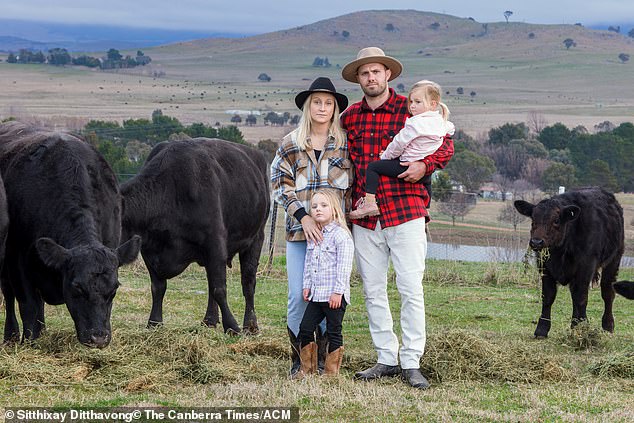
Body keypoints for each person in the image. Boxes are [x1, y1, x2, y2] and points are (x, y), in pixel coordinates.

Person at [340, 47, 454, 389]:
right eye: (364, 73)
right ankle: (386, 358)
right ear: (358, 79)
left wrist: (425, 165)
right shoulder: (350, 117)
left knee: (410, 288)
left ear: (388, 74)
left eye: (376, 71)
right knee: (373, 290)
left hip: (405, 210)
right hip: (365, 215)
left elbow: (445, 144)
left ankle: (411, 361)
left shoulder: (412, 108)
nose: (371, 78)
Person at [270, 77, 352, 378]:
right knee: (298, 295)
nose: (322, 107)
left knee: (328, 293)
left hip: (332, 237)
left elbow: (350, 190)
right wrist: (304, 216)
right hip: (299, 232)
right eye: (316, 102)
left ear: (334, 109)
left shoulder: (344, 144)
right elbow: (279, 184)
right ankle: (300, 358)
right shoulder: (291, 143)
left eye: (328, 103)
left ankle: (323, 360)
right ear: (308, 106)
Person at [349, 80, 455, 219]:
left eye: (417, 102)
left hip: (406, 183)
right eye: (411, 102)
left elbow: (398, 143)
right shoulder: (441, 121)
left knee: (374, 167)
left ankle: (369, 203)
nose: (412, 106)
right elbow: (450, 130)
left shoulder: (414, 123)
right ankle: (427, 207)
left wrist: (385, 156)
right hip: (420, 168)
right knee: (427, 179)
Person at [295, 189, 354, 379]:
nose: (318, 209)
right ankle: (307, 369)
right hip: (317, 294)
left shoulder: (341, 236)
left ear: (334, 209)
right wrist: (307, 286)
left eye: (323, 205)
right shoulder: (314, 234)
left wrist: (338, 292)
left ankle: (331, 373)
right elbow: (308, 263)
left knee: (334, 331)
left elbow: (344, 267)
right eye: (314, 206)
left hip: (334, 296)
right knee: (305, 328)